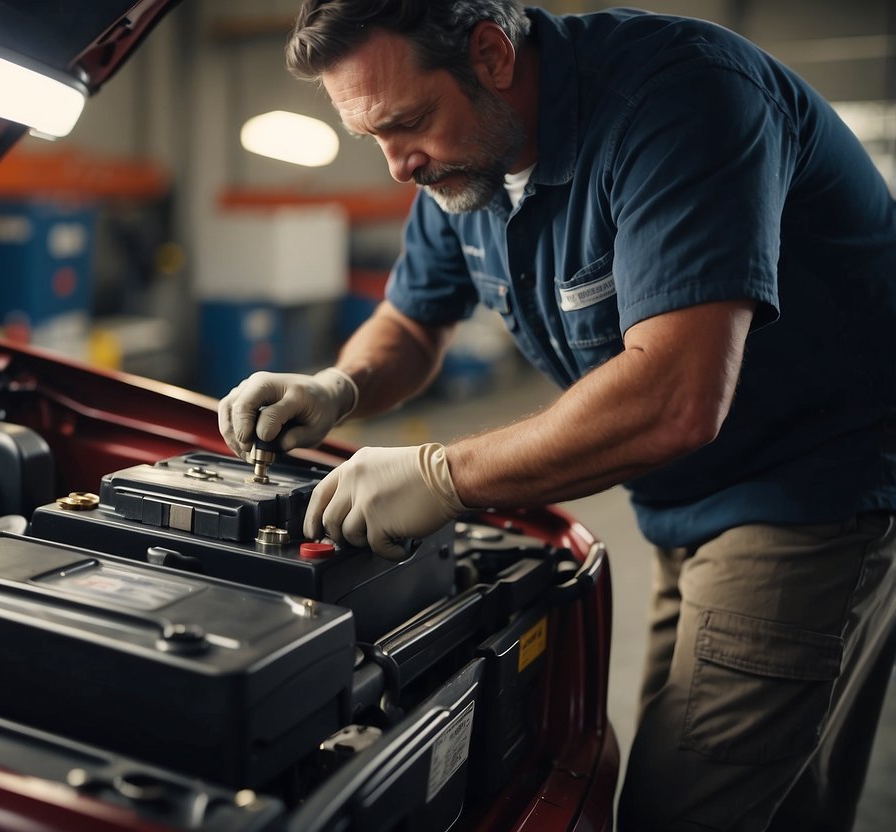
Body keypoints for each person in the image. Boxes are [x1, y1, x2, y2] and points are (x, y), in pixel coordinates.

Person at [216, 1, 896, 829]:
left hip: (809, 490)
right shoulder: (464, 155)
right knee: (766, 788)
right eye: (375, 139)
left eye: (406, 124)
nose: (397, 167)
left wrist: (443, 474)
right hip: (679, 501)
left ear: (492, 54)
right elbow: (412, 320)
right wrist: (336, 387)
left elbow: (674, 398)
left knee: (682, 808)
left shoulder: (681, 101)